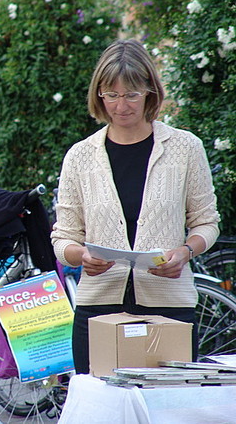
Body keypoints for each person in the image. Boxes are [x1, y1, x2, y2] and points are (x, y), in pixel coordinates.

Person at [50, 39, 220, 374]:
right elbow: (63, 238)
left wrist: (185, 251)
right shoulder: (80, 157)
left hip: (170, 307)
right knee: (99, 401)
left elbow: (207, 222)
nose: (121, 105)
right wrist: (80, 256)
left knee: (166, 401)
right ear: (99, 95)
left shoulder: (185, 148)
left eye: (131, 94)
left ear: (149, 92)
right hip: (97, 309)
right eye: (111, 95)